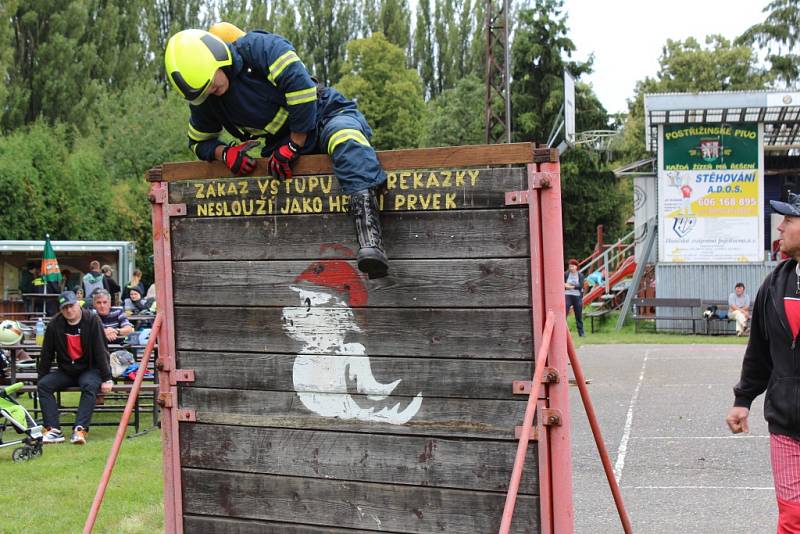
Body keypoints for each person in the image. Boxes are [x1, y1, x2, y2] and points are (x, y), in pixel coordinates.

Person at [164, 27, 389, 279]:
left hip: (324, 113)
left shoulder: (260, 48)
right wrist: (224, 154)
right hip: (280, 145)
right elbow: (197, 142)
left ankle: (370, 240)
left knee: (345, 139)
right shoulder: (206, 98)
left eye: (210, 85)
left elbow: (301, 87)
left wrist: (295, 143)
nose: (209, 92)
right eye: (202, 92)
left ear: (216, 58)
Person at [726, 192, 800, 531]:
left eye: (788, 220)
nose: (780, 227)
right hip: (786, 422)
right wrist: (743, 399)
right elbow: (759, 349)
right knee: (792, 516)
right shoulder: (774, 284)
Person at [38, 291, 113, 445]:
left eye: (71, 306)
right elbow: (46, 354)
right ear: (60, 309)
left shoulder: (92, 320)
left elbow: (101, 350)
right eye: (65, 308)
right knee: (44, 385)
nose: (69, 310)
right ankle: (53, 430)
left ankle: (80, 429)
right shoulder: (54, 324)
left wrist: (107, 378)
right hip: (67, 370)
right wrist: (41, 378)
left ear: (78, 304)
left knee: (88, 384)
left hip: (90, 368)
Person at [564, 259, 585, 337]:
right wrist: (567, 286)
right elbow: (563, 284)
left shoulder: (580, 275)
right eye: (570, 267)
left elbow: (580, 286)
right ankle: (564, 332)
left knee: (578, 315)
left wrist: (570, 286)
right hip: (567, 295)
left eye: (572, 266)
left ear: (576, 267)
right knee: (564, 314)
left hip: (577, 296)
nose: (571, 268)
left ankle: (581, 333)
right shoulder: (566, 274)